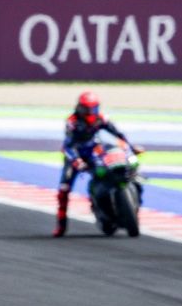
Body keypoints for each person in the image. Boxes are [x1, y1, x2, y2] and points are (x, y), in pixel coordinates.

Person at [54, 91, 140, 237]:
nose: (90, 112)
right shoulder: (72, 122)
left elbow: (118, 134)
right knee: (64, 189)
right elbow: (68, 146)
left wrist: (131, 147)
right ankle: (61, 225)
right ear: (79, 108)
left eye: (93, 108)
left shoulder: (101, 119)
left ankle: (119, 202)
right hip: (75, 155)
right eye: (86, 109)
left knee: (120, 169)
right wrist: (77, 161)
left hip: (93, 151)